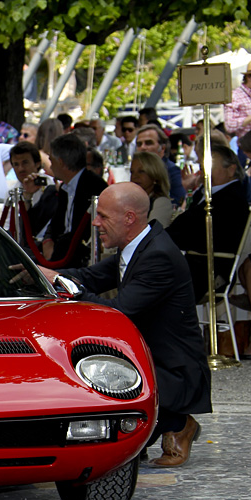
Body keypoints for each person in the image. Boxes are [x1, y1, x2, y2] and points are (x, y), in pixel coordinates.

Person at [38, 182, 211, 467]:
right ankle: (157, 426)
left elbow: (120, 311)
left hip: (174, 373)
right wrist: (41, 274)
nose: (95, 223)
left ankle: (179, 422)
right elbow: (89, 277)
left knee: (101, 377)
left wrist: (62, 283)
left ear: (129, 218)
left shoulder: (158, 255)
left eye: (103, 216)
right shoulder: (141, 245)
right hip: (153, 361)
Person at [165, 144, 251, 302]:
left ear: (231, 170)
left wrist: (164, 237)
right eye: (204, 167)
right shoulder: (208, 194)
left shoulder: (230, 199)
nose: (205, 172)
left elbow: (192, 231)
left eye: (210, 167)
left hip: (208, 270)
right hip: (194, 264)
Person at [41, 133, 107, 264]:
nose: (51, 166)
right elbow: (56, 224)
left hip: (79, 256)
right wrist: (48, 241)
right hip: (61, 250)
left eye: (51, 161)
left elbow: (86, 233)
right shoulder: (65, 188)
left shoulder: (95, 186)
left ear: (61, 162)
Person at [9, 141, 57, 245]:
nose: (20, 169)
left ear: (37, 163)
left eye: (25, 163)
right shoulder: (12, 192)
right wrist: (26, 197)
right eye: (16, 164)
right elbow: (10, 226)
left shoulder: (51, 186)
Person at [135, 124, 185, 206]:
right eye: (139, 144)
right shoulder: (136, 170)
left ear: (162, 148)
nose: (142, 147)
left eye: (148, 143)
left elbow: (176, 202)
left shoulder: (171, 170)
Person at [129, 151, 174, 228]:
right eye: (132, 172)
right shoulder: (129, 202)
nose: (134, 176)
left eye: (141, 171)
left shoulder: (161, 203)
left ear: (154, 174)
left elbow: (152, 234)